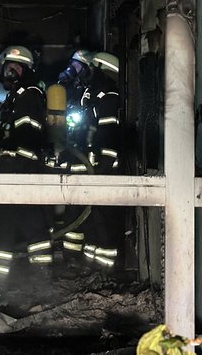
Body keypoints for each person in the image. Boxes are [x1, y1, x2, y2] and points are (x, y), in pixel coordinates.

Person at [0, 45, 53, 291]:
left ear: (26, 70)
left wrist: (7, 150)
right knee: (8, 223)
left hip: (20, 169)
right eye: (7, 67)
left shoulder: (29, 94)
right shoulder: (15, 98)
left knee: (21, 222)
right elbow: (8, 135)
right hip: (12, 169)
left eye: (14, 67)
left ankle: (35, 280)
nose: (9, 72)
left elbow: (27, 133)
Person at [56, 51, 124, 271]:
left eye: (90, 68)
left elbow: (109, 133)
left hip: (98, 170)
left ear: (102, 71)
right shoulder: (87, 96)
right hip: (83, 168)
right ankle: (76, 262)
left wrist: (104, 166)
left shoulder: (108, 96)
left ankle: (105, 269)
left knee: (99, 219)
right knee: (77, 216)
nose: (85, 73)